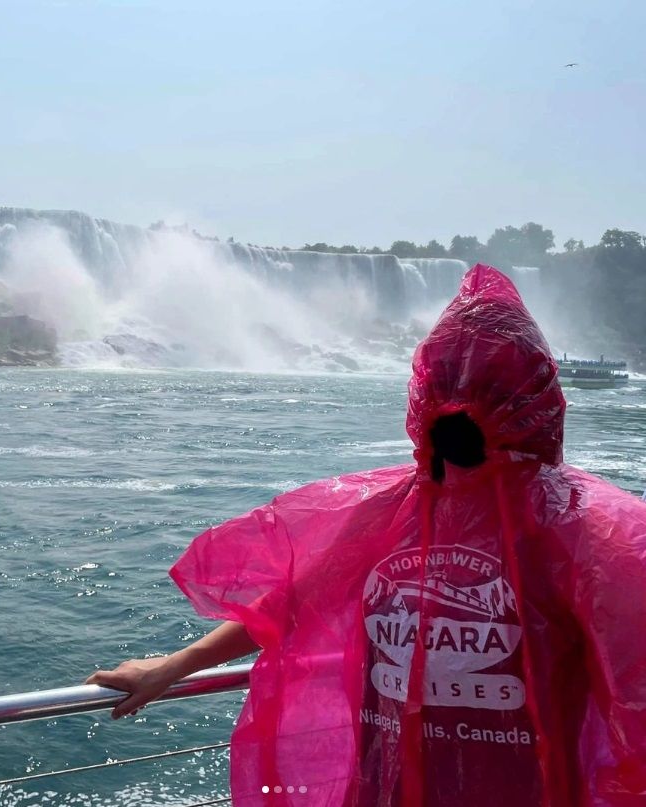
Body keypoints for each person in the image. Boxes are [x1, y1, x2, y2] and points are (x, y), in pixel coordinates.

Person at [87, 265, 646, 806]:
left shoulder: (584, 527)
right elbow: (292, 602)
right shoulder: (391, 510)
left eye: (476, 387)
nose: (460, 405)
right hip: (385, 788)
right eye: (451, 385)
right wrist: (173, 666)